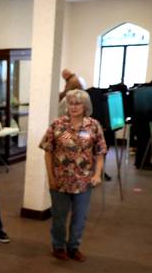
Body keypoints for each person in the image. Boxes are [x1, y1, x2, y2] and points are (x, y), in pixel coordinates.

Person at [40, 89, 107, 262]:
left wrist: (97, 174)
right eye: (70, 103)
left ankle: (74, 247)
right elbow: (48, 152)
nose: (74, 107)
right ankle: (59, 246)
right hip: (60, 180)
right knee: (59, 218)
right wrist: (51, 178)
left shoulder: (93, 125)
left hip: (84, 180)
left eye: (78, 103)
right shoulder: (57, 125)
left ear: (85, 106)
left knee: (80, 218)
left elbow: (100, 152)